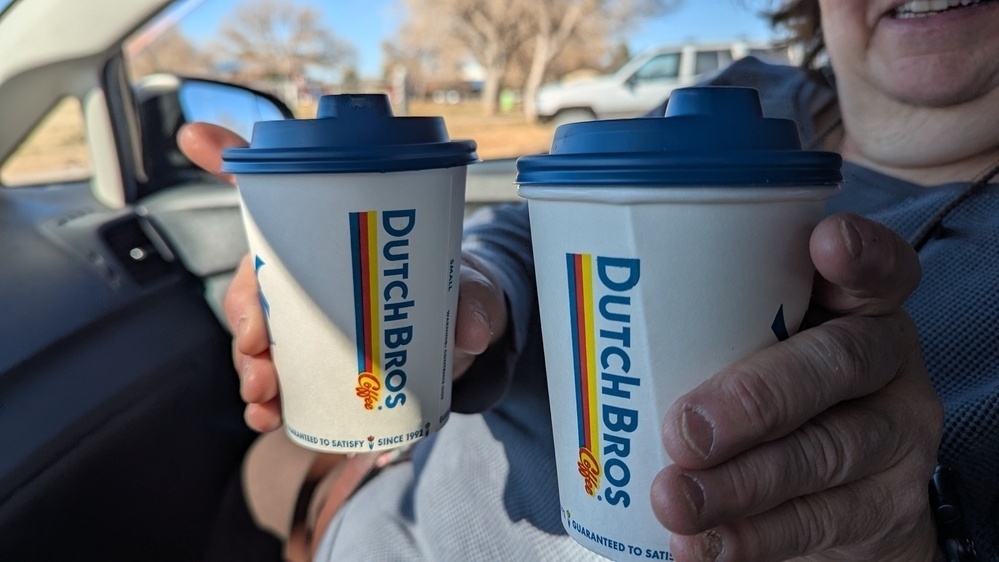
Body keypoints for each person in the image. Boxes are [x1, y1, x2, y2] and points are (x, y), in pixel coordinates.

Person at [181, 0, 999, 559]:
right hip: (376, 492)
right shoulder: (751, 90)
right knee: (254, 471)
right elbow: (527, 228)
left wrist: (906, 539)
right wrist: (468, 291)